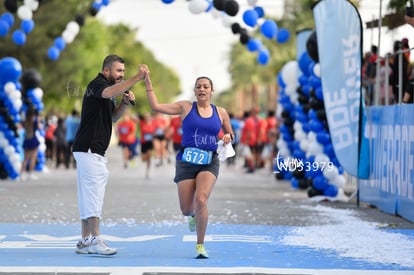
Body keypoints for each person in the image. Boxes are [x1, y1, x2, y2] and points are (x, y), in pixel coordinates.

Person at [143, 73, 234, 259]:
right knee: (186, 208)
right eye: (198, 86)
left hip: (209, 161)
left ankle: (200, 245)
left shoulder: (221, 112)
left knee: (201, 199)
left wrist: (227, 137)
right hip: (186, 161)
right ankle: (192, 215)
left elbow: (230, 133)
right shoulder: (185, 107)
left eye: (205, 86)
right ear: (194, 91)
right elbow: (156, 106)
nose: (202, 89)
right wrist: (147, 81)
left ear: (211, 91)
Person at [72, 54, 145, 256]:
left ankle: (85, 240)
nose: (122, 74)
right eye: (119, 71)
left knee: (88, 194)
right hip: (89, 148)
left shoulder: (108, 89)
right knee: (94, 194)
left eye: (123, 71)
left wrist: (124, 103)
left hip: (90, 149)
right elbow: (106, 93)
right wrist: (136, 78)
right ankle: (95, 239)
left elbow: (113, 117)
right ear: (106, 71)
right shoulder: (98, 84)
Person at [20, 106, 41, 181]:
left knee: (25, 158)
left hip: (26, 139)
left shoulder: (25, 120)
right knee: (33, 157)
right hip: (33, 139)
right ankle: (30, 174)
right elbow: (39, 127)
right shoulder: (35, 119)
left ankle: (22, 174)